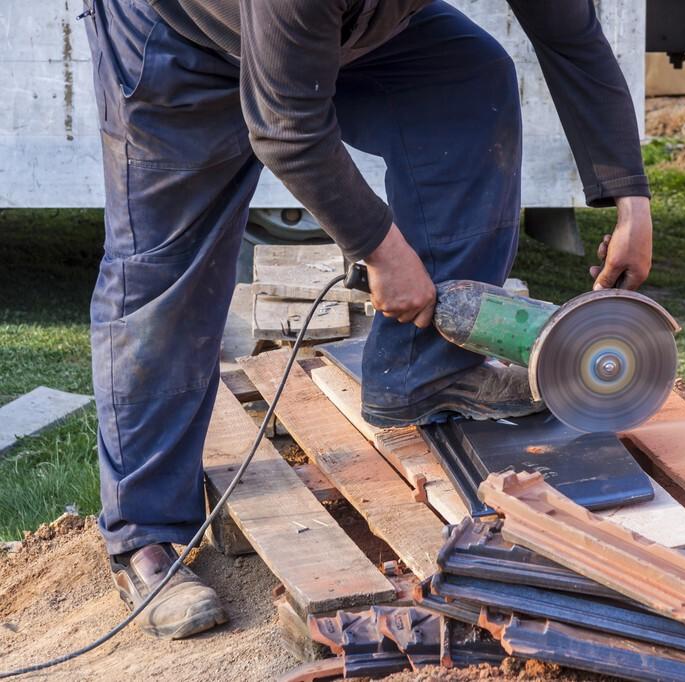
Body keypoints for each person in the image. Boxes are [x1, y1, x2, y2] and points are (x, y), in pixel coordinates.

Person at [82, 0, 653, 639]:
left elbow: (572, 38)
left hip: (337, 30)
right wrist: (383, 251)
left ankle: (423, 371)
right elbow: (285, 128)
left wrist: (630, 196)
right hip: (178, 40)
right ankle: (148, 537)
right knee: (166, 277)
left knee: (468, 77)